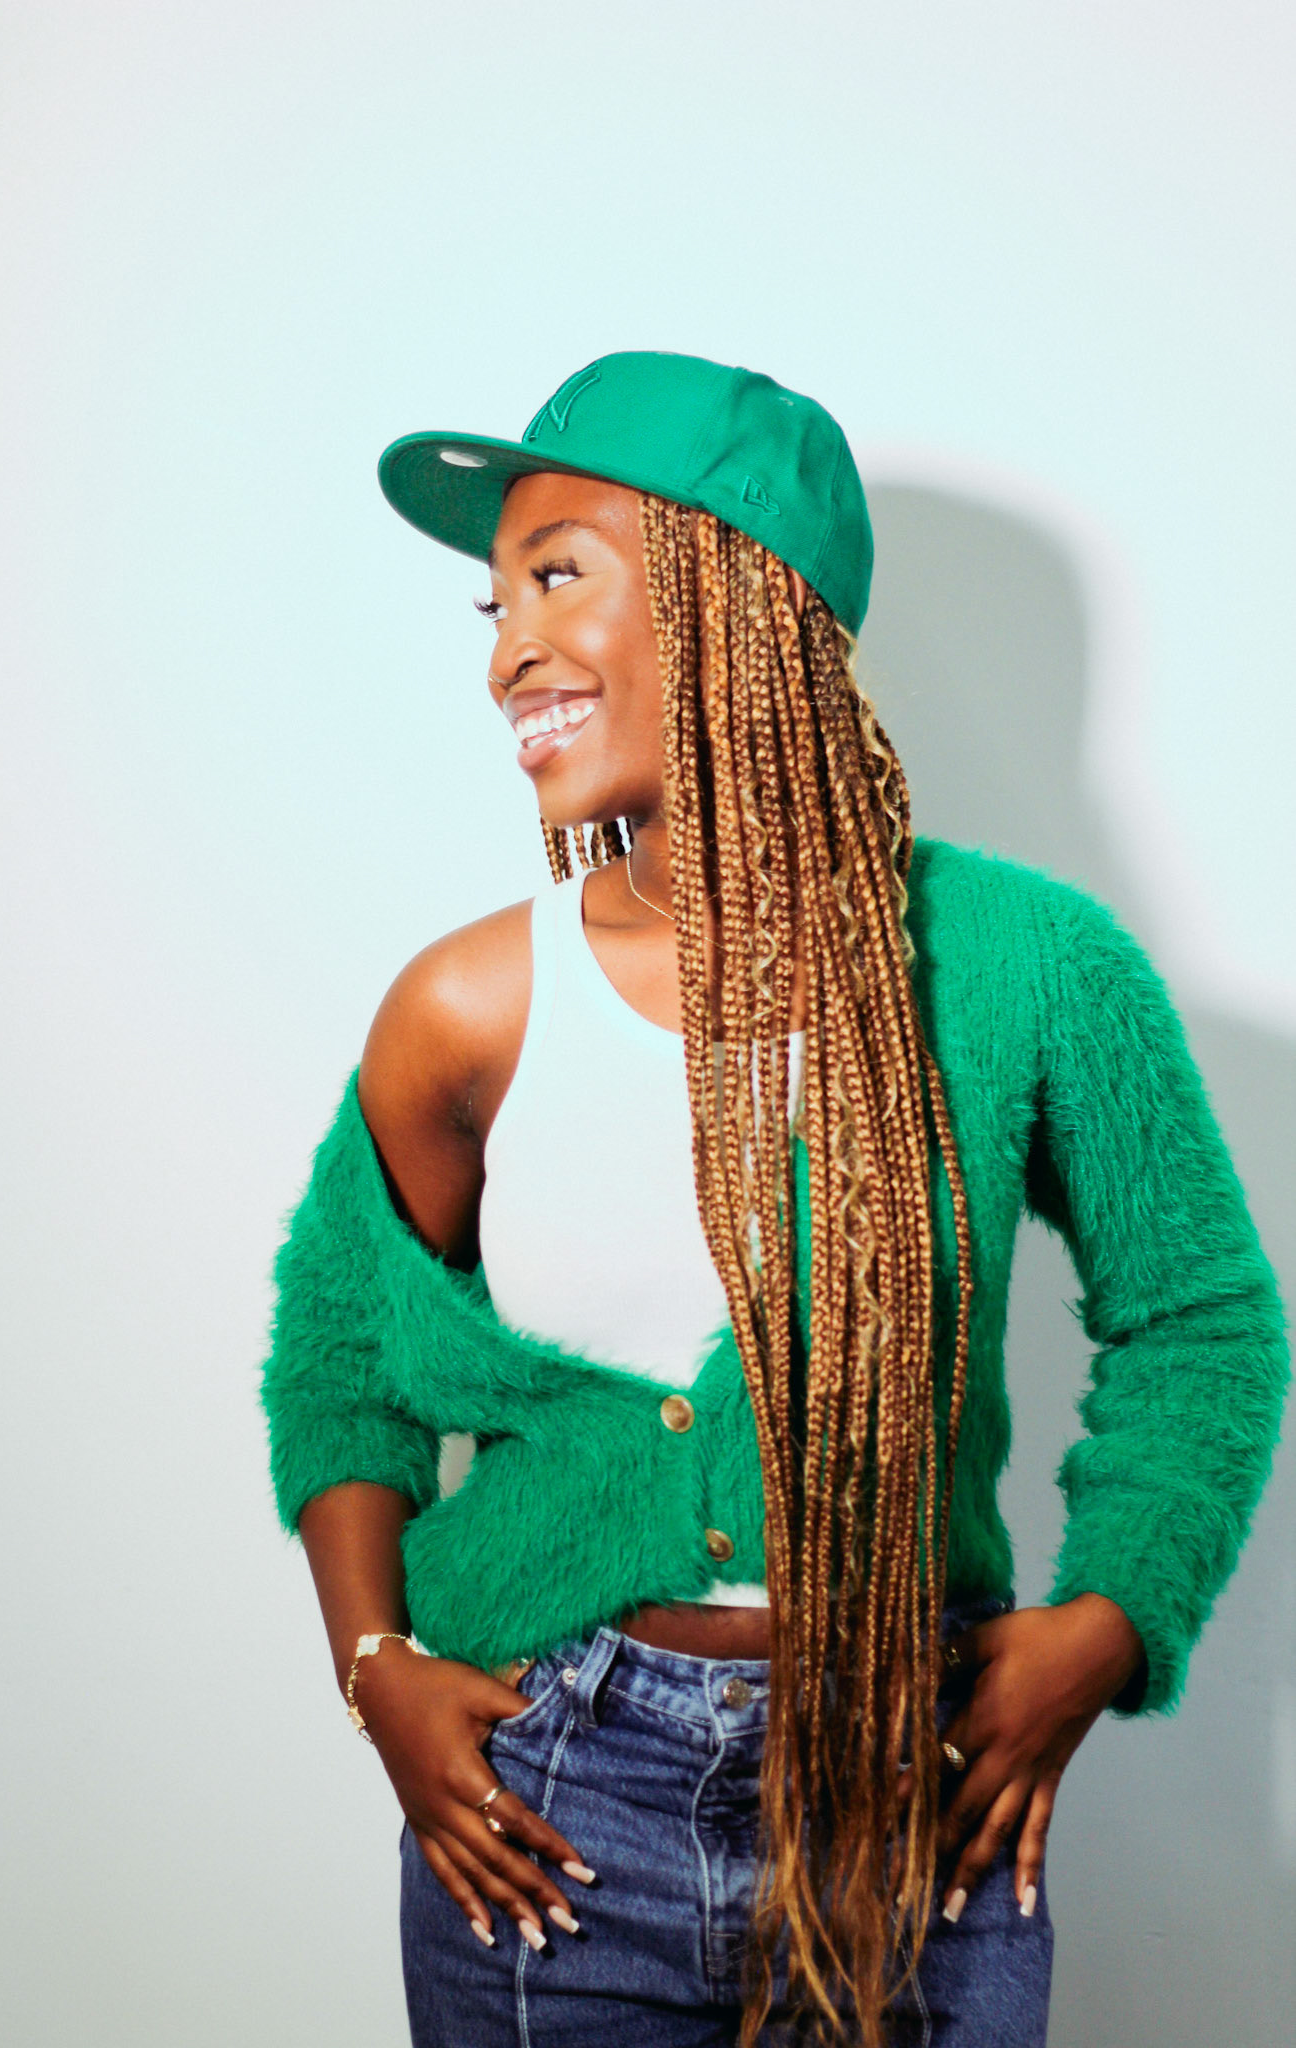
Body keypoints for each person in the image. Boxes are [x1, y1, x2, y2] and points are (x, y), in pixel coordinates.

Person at [261, 351, 1287, 2048]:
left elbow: (1200, 1323)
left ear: (739, 599)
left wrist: (1108, 1621)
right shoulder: (466, 1006)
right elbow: (339, 1366)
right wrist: (377, 1671)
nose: (508, 649)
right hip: (548, 1809)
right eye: (496, 604)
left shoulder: (1031, 969)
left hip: (912, 1792)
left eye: (557, 576)